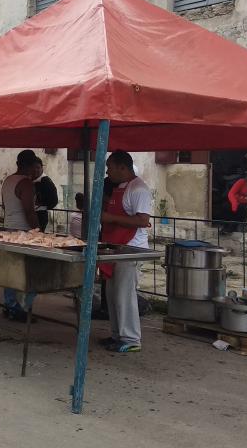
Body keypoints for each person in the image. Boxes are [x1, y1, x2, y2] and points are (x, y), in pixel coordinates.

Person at [99, 150, 152, 353]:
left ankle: (131, 338)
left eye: (109, 167)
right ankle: (116, 334)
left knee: (124, 295)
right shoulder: (120, 187)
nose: (107, 171)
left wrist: (110, 219)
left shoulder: (138, 189)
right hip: (115, 247)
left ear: (122, 167)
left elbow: (142, 220)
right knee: (112, 294)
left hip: (131, 248)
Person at [1, 150, 40, 322]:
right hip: (23, 232)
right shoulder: (26, 184)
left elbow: (4, 205)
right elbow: (29, 210)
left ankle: (10, 305)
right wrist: (38, 231)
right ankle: (22, 308)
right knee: (30, 272)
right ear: (31, 166)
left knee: (10, 270)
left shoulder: (7, 181)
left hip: (9, 228)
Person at [30, 157, 59, 232]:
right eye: (33, 168)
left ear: (42, 168)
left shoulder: (45, 181)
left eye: (38, 167)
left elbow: (54, 200)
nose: (35, 170)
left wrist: (41, 203)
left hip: (40, 215)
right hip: (33, 214)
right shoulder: (31, 180)